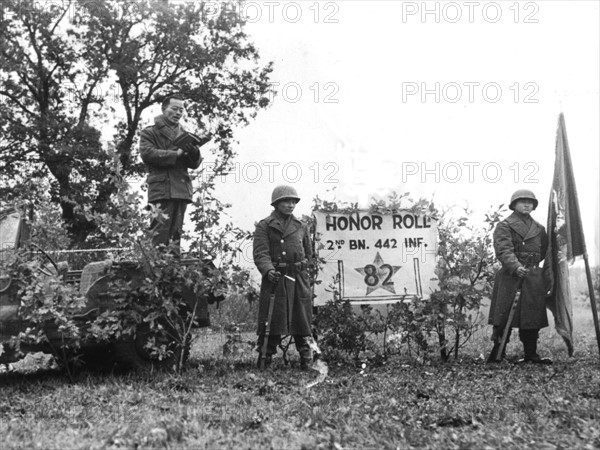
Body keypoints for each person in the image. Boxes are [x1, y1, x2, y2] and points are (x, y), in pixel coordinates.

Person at [487, 189, 552, 364]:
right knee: (503, 316)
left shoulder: (539, 229)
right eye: (522, 201)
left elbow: (544, 250)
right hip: (510, 276)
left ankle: (531, 354)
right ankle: (497, 352)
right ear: (514, 205)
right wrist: (515, 266)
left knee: (532, 317)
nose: (526, 204)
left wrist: (531, 266)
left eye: (530, 202)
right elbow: (503, 249)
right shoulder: (504, 226)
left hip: (532, 278)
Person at [253, 185, 314, 369]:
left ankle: (307, 359)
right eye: (287, 201)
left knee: (302, 319)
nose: (291, 205)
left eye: (294, 201)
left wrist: (303, 268)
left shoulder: (301, 226)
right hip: (276, 280)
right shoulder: (265, 226)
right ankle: (265, 358)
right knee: (272, 321)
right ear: (277, 203)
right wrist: (268, 270)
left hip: (298, 279)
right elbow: (260, 253)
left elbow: (309, 254)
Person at [139, 95, 203, 255]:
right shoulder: (150, 132)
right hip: (161, 188)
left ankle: (172, 273)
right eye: (174, 109)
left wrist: (194, 153)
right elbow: (148, 154)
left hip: (181, 189)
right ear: (163, 109)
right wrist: (176, 153)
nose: (178, 113)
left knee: (176, 235)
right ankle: (154, 272)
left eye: (181, 110)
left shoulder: (185, 134)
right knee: (158, 233)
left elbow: (193, 164)